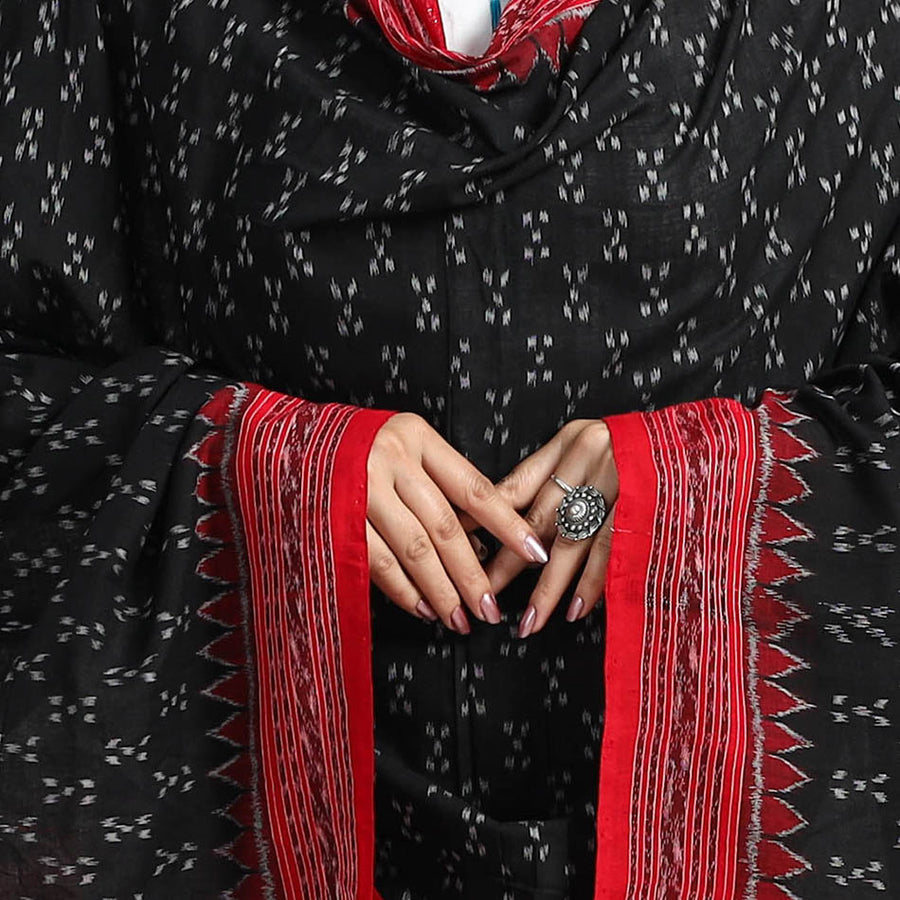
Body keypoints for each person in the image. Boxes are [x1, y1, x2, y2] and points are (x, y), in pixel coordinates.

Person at [1, 0, 898, 897]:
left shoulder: (836, 23)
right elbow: (25, 376)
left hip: (683, 765)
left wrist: (698, 476)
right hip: (273, 754)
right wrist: (274, 464)